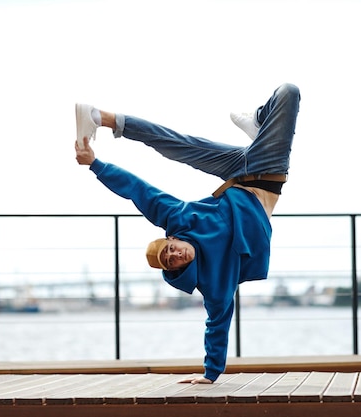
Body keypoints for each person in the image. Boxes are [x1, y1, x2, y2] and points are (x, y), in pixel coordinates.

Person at [75, 83, 301, 384]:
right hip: (268, 170)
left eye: (171, 250)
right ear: (178, 268)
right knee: (289, 92)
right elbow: (217, 324)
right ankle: (261, 125)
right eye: (173, 261)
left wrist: (95, 164)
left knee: (175, 143)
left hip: (234, 170)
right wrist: (210, 374)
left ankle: (102, 118)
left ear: (172, 239)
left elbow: (137, 190)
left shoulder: (179, 219)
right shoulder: (214, 283)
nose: (176, 255)